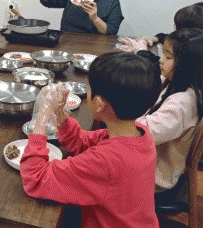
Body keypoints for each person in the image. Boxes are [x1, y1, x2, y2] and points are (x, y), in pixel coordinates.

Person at [20, 52, 162, 228]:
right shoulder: (139, 134)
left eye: (89, 88)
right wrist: (59, 114)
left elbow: (36, 178)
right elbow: (82, 142)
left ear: (99, 104)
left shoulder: (106, 161)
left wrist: (42, 116)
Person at [133, 28, 203, 197]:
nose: (161, 60)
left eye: (168, 57)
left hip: (155, 176)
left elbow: (140, 134)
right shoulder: (183, 84)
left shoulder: (182, 103)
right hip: (152, 160)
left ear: (188, 64)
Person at [131, 2, 203, 105]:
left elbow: (167, 69)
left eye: (177, 28)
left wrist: (141, 52)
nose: (174, 30)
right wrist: (156, 38)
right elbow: (171, 39)